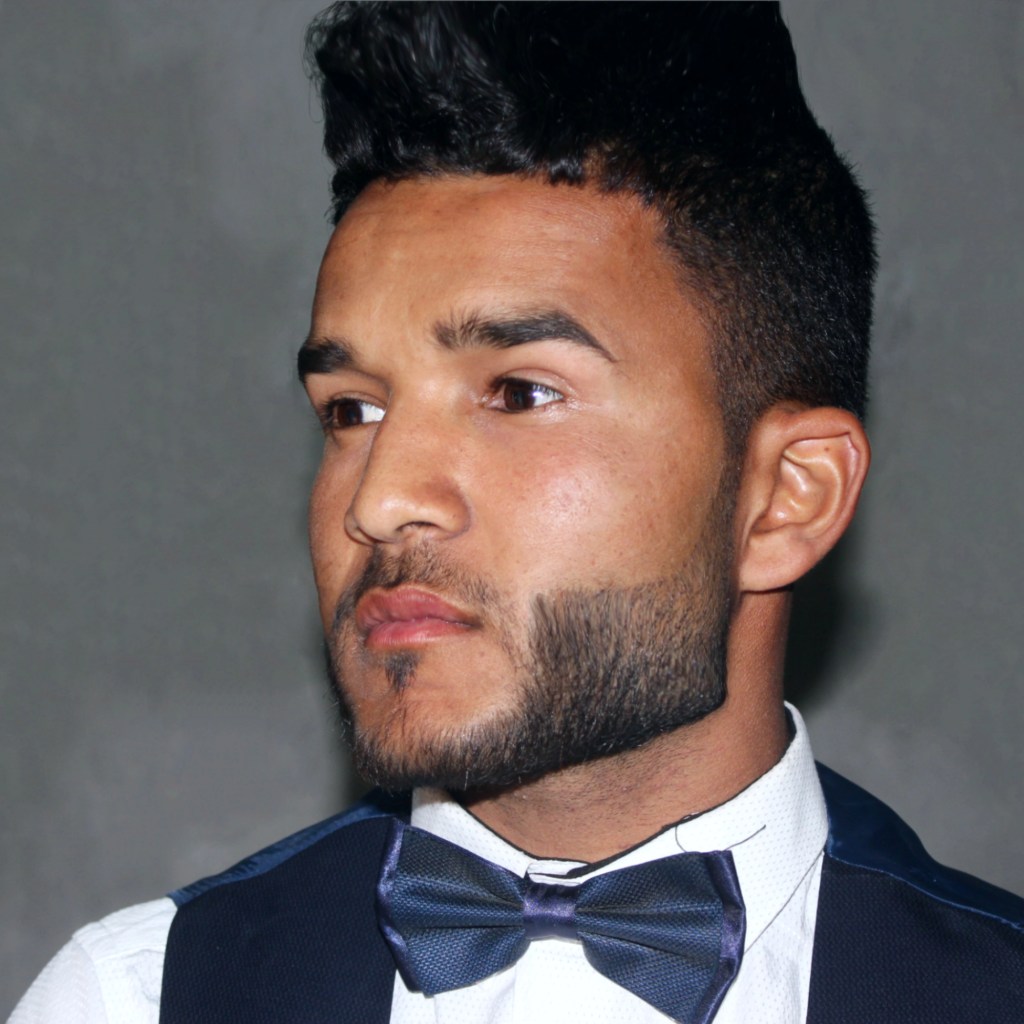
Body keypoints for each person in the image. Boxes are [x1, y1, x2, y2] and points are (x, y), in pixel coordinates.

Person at [10, 3, 1024, 1022]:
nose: (379, 499)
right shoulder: (131, 998)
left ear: (785, 499)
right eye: (352, 410)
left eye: (519, 393)